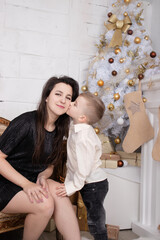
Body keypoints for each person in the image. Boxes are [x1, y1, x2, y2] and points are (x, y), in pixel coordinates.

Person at [0, 76, 81, 240]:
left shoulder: (59, 129)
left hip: (30, 179)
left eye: (68, 97)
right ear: (46, 97)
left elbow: (50, 165)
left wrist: (42, 176)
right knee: (45, 205)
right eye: (58, 94)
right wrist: (26, 184)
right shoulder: (27, 122)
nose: (63, 100)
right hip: (5, 182)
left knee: (59, 192)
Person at [56, 92, 109, 240]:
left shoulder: (83, 138)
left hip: (94, 184)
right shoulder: (77, 127)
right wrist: (68, 182)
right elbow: (73, 163)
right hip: (89, 183)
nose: (70, 103)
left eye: (75, 104)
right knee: (94, 215)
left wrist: (71, 187)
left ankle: (101, 238)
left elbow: (83, 169)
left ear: (82, 118)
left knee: (95, 219)